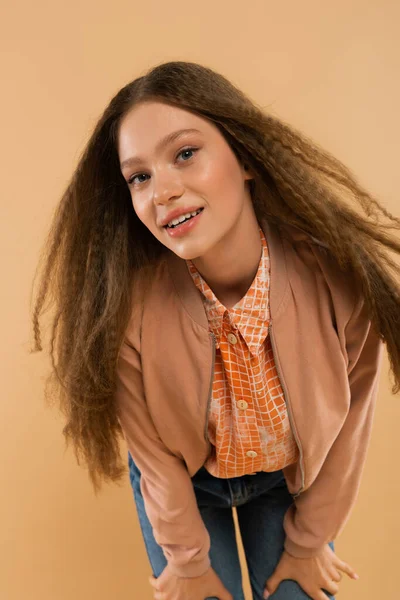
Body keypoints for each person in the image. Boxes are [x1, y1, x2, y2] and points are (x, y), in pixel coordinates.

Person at [29, 61, 400, 600]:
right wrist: (186, 558)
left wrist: (310, 541)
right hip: (186, 488)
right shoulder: (128, 308)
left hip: (288, 480)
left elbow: (349, 420)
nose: (163, 192)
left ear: (245, 158)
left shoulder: (336, 278)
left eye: (184, 154)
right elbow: (151, 453)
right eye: (139, 176)